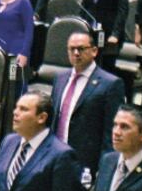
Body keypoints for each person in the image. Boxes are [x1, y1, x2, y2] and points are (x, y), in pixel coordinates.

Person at [50, 32, 123, 174]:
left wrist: (106, 168)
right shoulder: (60, 78)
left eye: (81, 49)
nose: (76, 53)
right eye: (72, 49)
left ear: (94, 51)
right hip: (55, 158)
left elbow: (111, 132)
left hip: (86, 163)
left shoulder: (111, 84)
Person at [82, 0, 129, 73]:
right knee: (89, 66)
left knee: (106, 69)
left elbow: (122, 13)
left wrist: (116, 34)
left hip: (109, 34)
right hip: (91, 32)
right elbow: (84, 7)